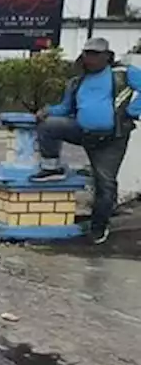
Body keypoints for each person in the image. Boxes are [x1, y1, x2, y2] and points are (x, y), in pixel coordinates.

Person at [32, 37, 141, 244]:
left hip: (112, 139)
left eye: (95, 55)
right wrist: (48, 111)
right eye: (87, 54)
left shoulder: (123, 74)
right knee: (49, 125)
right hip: (83, 132)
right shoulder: (77, 82)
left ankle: (99, 227)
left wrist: (132, 110)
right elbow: (66, 109)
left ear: (107, 57)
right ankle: (51, 167)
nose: (90, 59)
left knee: (105, 184)